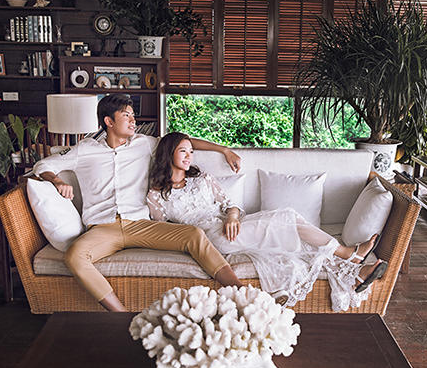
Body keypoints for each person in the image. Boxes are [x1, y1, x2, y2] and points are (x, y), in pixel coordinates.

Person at [33, 94, 243, 312]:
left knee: (194, 234)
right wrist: (57, 181)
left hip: (140, 225)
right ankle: (121, 315)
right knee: (74, 256)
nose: (134, 121)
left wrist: (223, 150)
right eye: (126, 115)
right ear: (109, 121)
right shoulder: (84, 149)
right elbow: (43, 165)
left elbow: (179, 143)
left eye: (133, 115)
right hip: (102, 228)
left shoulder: (144, 144)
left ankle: (241, 292)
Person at [146, 132, 388, 311]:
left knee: (295, 240)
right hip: (211, 239)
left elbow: (230, 204)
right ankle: (348, 256)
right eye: (183, 151)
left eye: (191, 151)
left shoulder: (203, 179)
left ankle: (354, 272)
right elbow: (164, 232)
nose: (189, 156)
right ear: (169, 153)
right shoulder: (156, 196)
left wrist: (232, 216)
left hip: (232, 226)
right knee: (288, 219)